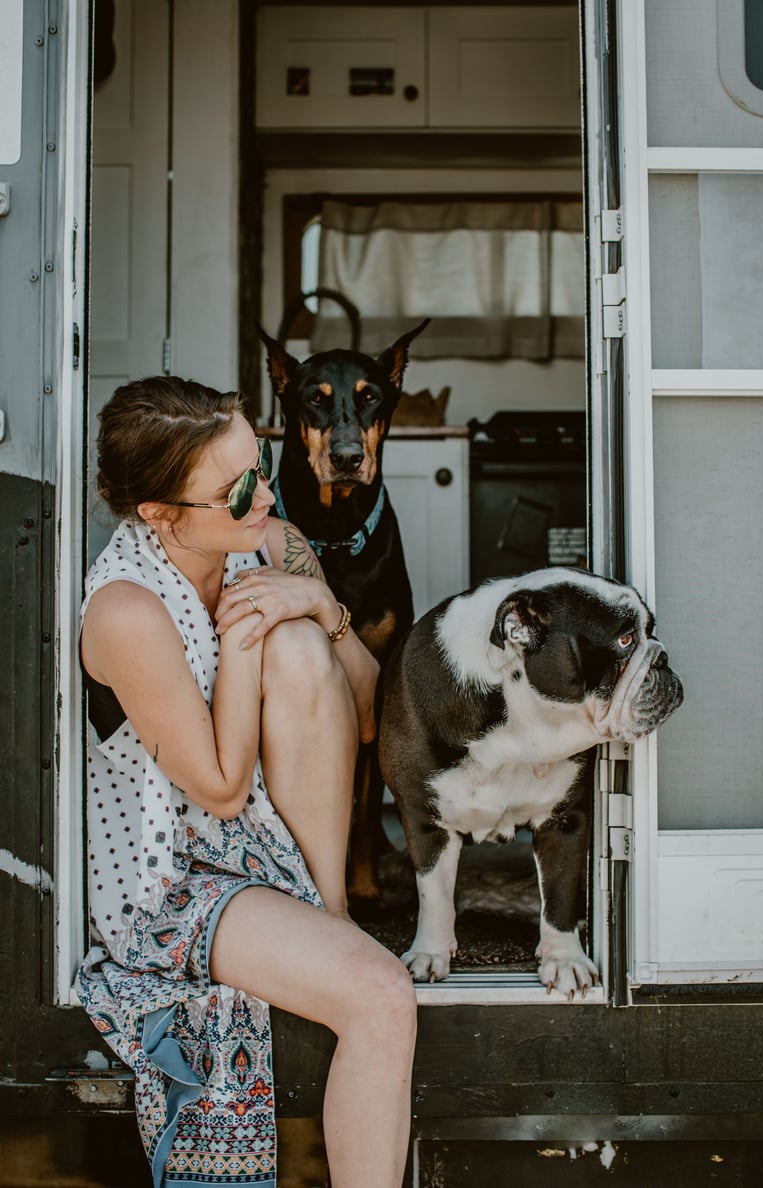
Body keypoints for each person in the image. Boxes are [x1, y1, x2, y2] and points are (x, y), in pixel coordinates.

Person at [76, 376, 417, 1188]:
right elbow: (223, 789)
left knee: (303, 644)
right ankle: (331, 936)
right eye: (235, 488)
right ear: (160, 514)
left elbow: (370, 714)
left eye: (258, 463)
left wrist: (314, 603)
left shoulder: (270, 540)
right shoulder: (126, 610)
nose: (264, 492)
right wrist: (250, 636)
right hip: (173, 880)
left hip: (269, 841)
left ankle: (326, 915)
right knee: (381, 995)